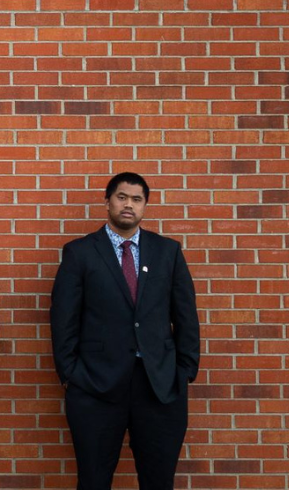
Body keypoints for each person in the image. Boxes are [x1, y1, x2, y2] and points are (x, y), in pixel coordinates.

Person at [50, 172, 199, 490]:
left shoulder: (167, 252)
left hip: (159, 387)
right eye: (121, 197)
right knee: (93, 480)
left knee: (159, 481)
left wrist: (184, 372)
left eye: (136, 199)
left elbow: (186, 316)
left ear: (145, 205)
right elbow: (63, 320)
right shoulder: (80, 252)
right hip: (96, 387)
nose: (128, 205)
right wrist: (71, 375)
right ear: (107, 202)